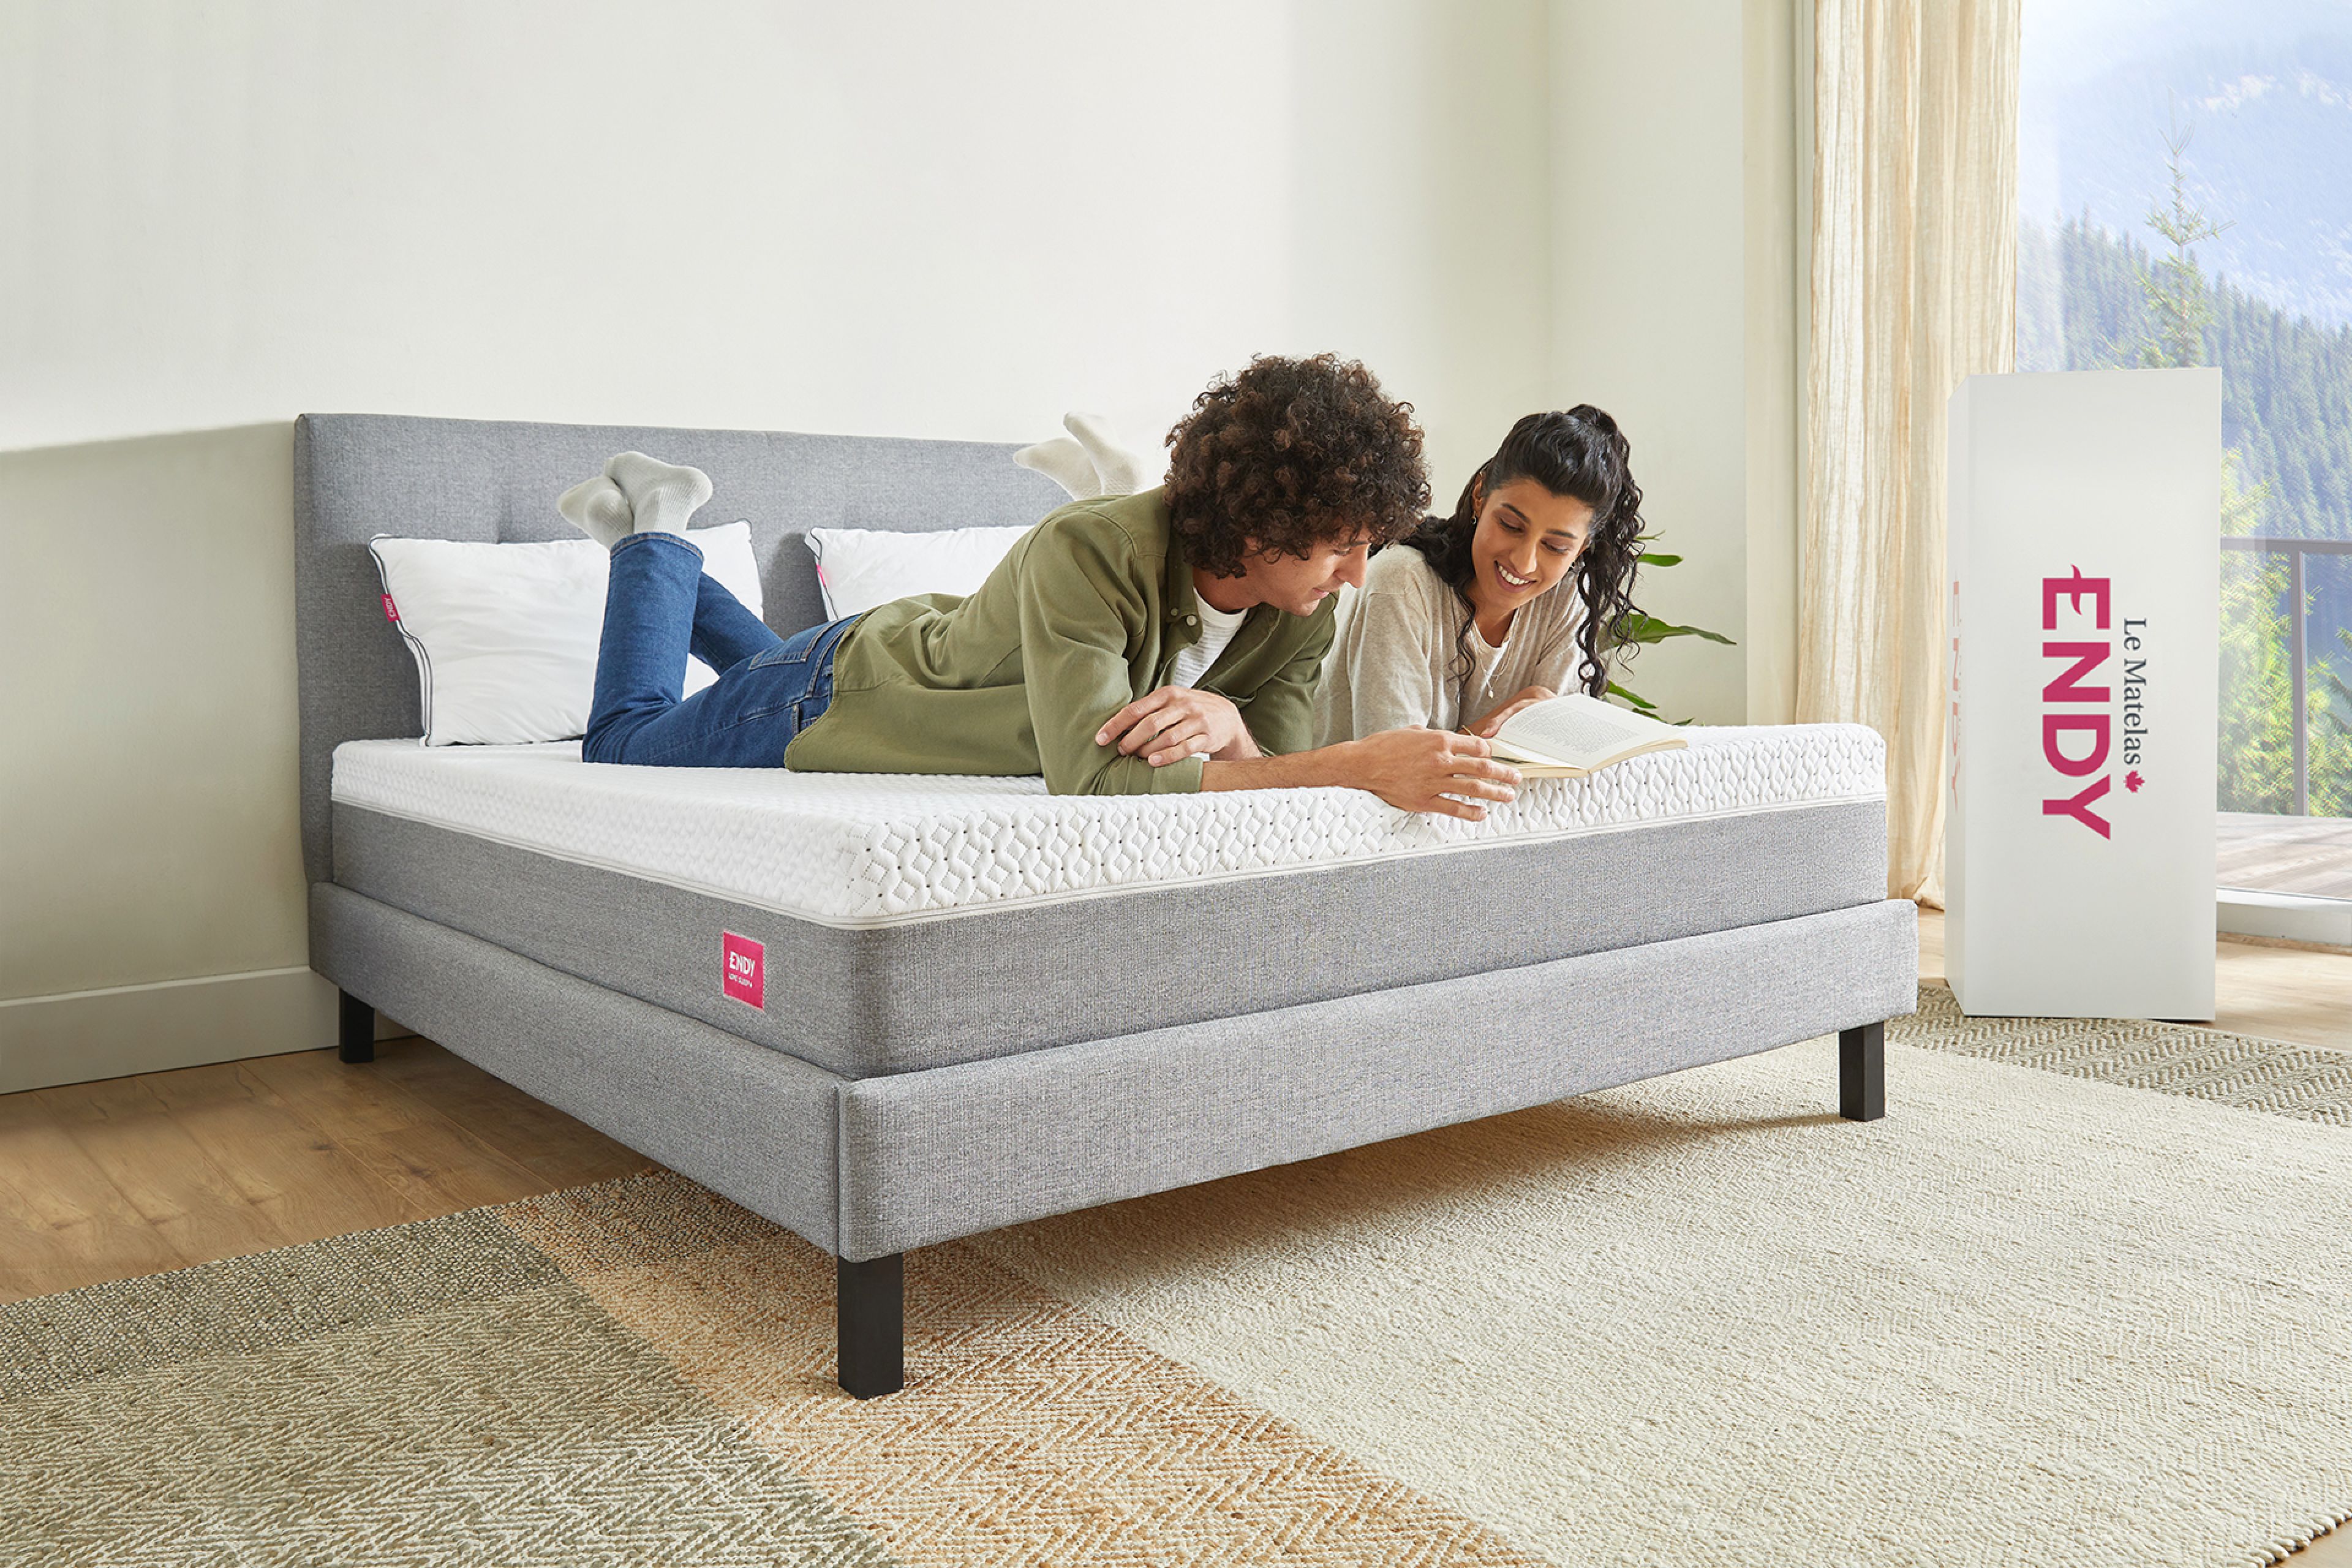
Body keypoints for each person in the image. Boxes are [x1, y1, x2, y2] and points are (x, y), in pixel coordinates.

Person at [561, 354, 1523, 820]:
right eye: (1338, 547)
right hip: (839, 691)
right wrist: (1359, 765)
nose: (1357, 576)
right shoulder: (1088, 546)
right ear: (1260, 526)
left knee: (755, 672)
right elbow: (1093, 772)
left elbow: (1267, 759)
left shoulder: (1305, 600)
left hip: (899, 650)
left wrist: (1232, 727)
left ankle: (663, 568)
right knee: (619, 745)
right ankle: (653, 530)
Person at [1313, 406, 1645, 745]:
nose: (1524, 562)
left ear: (1582, 548)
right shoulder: (1402, 585)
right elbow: (1394, 769)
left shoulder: (1568, 598)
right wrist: (1507, 720)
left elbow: (1548, 759)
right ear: (1479, 497)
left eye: (1555, 546)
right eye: (1511, 526)